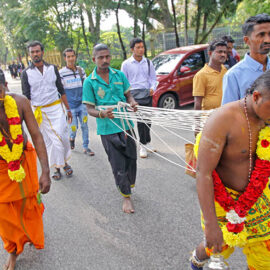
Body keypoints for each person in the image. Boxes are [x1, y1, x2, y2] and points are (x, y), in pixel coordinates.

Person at [190, 71, 270, 270]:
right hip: (222, 202)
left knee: (265, 256)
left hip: (260, 200)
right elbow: (204, 173)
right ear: (257, 96)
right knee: (217, 246)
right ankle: (197, 260)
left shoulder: (266, 118)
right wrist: (210, 225)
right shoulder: (223, 119)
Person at [0, 67, 51, 270]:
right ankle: (12, 250)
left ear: (4, 86)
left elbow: (36, 135)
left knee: (28, 202)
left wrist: (45, 171)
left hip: (22, 158)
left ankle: (30, 231)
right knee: (3, 212)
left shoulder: (20, 102)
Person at [83, 44, 138, 214]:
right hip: (107, 129)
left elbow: (128, 95)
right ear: (94, 59)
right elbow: (90, 109)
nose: (105, 60)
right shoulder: (89, 82)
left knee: (132, 159)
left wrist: (132, 102)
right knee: (118, 164)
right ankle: (126, 197)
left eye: (107, 56)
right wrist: (102, 114)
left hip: (127, 125)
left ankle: (128, 186)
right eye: (101, 57)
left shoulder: (119, 75)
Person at [21, 41, 73, 181]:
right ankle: (57, 167)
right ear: (30, 55)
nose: (35, 54)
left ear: (42, 52)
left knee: (61, 137)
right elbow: (26, 97)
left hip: (56, 108)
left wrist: (68, 109)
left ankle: (63, 161)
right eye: (32, 52)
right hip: (39, 112)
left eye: (37, 51)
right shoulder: (26, 73)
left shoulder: (52, 68)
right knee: (49, 141)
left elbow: (60, 90)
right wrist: (28, 117)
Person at [222, 13, 270, 105]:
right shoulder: (234, 76)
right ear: (247, 40)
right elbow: (228, 114)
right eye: (261, 35)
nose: (267, 40)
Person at [121, 37, 157, 158]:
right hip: (134, 95)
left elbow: (153, 78)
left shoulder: (148, 62)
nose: (141, 49)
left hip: (147, 93)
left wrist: (153, 88)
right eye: (138, 47)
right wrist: (127, 97)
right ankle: (142, 145)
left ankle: (148, 142)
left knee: (148, 120)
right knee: (141, 121)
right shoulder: (126, 64)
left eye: (142, 47)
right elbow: (123, 81)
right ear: (132, 49)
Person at [59, 48, 95, 156]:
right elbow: (61, 91)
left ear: (75, 57)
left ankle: (86, 147)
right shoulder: (61, 73)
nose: (71, 59)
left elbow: (87, 85)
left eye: (72, 56)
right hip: (70, 107)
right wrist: (65, 108)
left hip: (82, 105)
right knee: (73, 127)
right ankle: (72, 138)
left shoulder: (81, 70)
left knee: (84, 125)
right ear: (65, 58)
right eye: (68, 57)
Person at [193, 40, 227, 112]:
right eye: (220, 52)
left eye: (225, 52)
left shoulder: (225, 70)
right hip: (209, 119)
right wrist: (197, 122)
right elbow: (197, 103)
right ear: (210, 53)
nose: (223, 54)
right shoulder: (201, 75)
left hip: (225, 116)